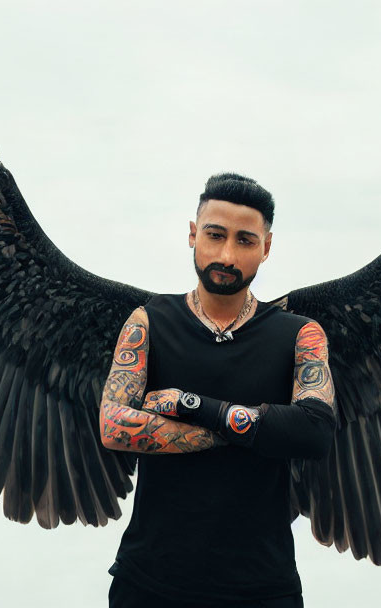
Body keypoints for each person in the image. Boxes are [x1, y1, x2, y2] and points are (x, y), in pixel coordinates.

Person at [98, 173, 338, 607]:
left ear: (266, 248)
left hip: (263, 591)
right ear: (193, 235)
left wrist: (190, 406)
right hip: (149, 586)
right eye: (215, 235)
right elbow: (114, 426)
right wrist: (248, 430)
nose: (227, 255)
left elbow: (315, 432)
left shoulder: (301, 334)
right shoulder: (149, 321)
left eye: (245, 241)